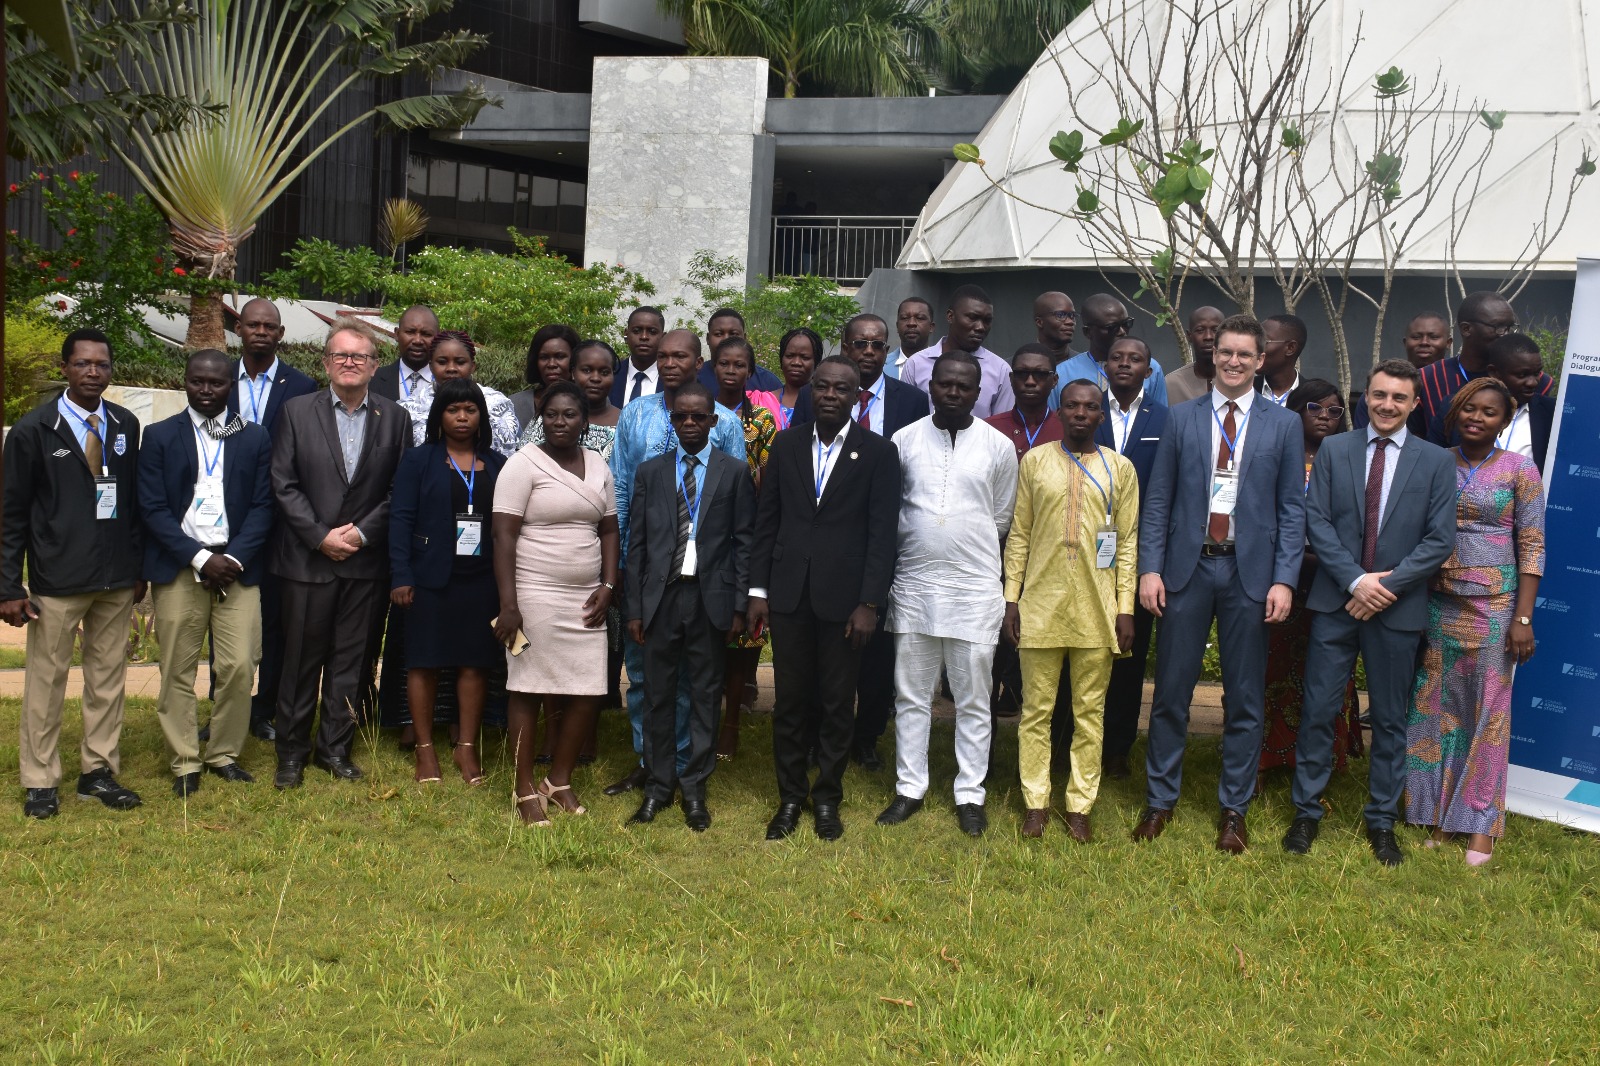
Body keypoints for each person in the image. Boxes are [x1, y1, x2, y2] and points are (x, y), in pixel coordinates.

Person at [1133, 314, 1304, 853]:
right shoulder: (1180, 418)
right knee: (1171, 694)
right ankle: (1160, 801)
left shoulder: (1284, 425)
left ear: (1260, 361)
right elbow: (1157, 499)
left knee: (1246, 697)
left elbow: (1291, 511)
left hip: (1249, 573)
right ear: (1215, 356)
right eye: (1225, 352)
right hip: (1186, 570)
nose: (1233, 362)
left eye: (1244, 355)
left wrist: (1284, 580)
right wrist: (1149, 568)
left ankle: (1234, 808)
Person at [1283, 359, 1457, 866]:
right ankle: (1306, 811)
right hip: (1338, 601)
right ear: (1367, 397)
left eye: (1399, 398)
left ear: (1414, 405)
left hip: (1397, 609)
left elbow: (1439, 539)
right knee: (1318, 710)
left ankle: (1381, 819)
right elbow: (1316, 523)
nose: (1387, 405)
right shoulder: (1336, 450)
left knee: (1388, 718)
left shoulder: (1435, 461)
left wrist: (1384, 586)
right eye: (1379, 395)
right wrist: (1356, 581)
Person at [748, 356, 901, 841]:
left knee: (837, 704)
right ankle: (790, 797)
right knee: (791, 702)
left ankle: (827, 798)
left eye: (842, 388)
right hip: (790, 596)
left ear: (858, 397)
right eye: (823, 387)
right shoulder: (788, 443)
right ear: (812, 391)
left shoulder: (877, 453)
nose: (830, 395)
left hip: (846, 603)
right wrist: (758, 590)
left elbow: (882, 535)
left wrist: (869, 603)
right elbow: (766, 519)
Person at [2, 329, 146, 818]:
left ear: (110, 371)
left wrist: (137, 565)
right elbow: (11, 516)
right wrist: (7, 585)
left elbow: (132, 504)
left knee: (108, 678)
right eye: (82, 363)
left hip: (115, 579)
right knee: (47, 682)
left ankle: (97, 772)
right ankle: (40, 781)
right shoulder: (33, 430)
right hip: (57, 582)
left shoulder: (125, 425)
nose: (92, 372)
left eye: (101, 364)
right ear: (64, 368)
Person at [876, 354, 1017, 837]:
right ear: (930, 386)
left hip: (975, 588)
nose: (953, 392)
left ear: (978, 392)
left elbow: (1000, 517)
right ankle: (909, 788)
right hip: (914, 585)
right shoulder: (904, 440)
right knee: (911, 695)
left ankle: (969, 793)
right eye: (945, 384)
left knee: (974, 698)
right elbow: (892, 507)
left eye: (964, 386)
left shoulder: (998, 447)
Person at [1405, 378, 1545, 865]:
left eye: (1488, 412)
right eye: (1468, 409)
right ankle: (1439, 816)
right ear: (1454, 413)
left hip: (1496, 606)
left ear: (1504, 421)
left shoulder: (1520, 469)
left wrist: (1522, 617)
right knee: (1438, 710)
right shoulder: (1434, 460)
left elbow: (1531, 546)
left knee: (1486, 715)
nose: (1476, 418)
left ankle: (1480, 827)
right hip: (1439, 602)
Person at [269, 324, 412, 789]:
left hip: (365, 564)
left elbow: (398, 490)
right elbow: (283, 483)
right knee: (300, 662)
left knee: (351, 662)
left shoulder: (396, 418)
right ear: (326, 363)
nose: (350, 362)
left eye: (360, 356)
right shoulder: (295, 412)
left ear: (375, 365)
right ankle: (291, 752)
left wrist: (363, 534)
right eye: (341, 355)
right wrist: (319, 536)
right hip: (308, 562)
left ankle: (334, 749)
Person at [606, 329, 746, 796]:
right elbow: (623, 488)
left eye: (679, 356)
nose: (668, 363)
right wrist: (626, 563)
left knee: (695, 678)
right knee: (646, 673)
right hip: (649, 573)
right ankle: (650, 762)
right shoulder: (636, 415)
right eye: (661, 356)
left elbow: (733, 508)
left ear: (698, 360)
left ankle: (688, 766)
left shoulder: (723, 422)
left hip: (703, 578)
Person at [1004, 380, 1140, 841]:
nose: (1081, 413)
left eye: (1091, 407)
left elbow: (1126, 543)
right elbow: (1019, 534)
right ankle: (1036, 802)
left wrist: (1125, 608)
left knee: (1089, 713)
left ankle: (1080, 805)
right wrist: (1011, 599)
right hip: (1039, 606)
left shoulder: (1120, 469)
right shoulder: (1035, 462)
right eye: (1073, 406)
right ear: (1059, 411)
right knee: (1036, 713)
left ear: (1102, 416)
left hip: (1097, 609)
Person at [795, 314, 929, 769]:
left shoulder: (913, 400)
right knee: (826, 653)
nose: (869, 351)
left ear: (887, 348)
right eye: (859, 344)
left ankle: (867, 734)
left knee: (875, 651)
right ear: (846, 347)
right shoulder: (821, 395)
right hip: (830, 542)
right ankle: (817, 734)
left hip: (891, 533)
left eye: (877, 344)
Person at [140, 349, 274, 796]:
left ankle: (222, 753)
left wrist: (232, 559)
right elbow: (153, 509)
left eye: (216, 383)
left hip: (237, 568)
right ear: (186, 381)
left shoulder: (253, 438)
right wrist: (199, 558)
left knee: (238, 665)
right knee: (177, 667)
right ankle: (184, 761)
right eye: (197, 381)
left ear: (229, 387)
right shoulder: (159, 436)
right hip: (181, 566)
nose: (206, 389)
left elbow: (262, 506)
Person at [623, 384, 755, 830]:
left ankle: (694, 786)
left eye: (700, 417)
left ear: (714, 422)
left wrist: (738, 607)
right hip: (661, 598)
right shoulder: (651, 472)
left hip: (709, 599)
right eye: (682, 417)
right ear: (672, 421)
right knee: (659, 694)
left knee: (703, 693)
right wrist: (635, 609)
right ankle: (659, 786)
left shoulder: (734, 472)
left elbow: (743, 542)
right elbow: (637, 545)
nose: (691, 424)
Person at [493, 382, 620, 824]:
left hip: (587, 596)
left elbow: (609, 530)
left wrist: (608, 584)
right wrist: (509, 605)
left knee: (588, 689)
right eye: (551, 415)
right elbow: (503, 536)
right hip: (534, 592)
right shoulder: (521, 464)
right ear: (540, 418)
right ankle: (523, 786)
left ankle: (559, 780)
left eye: (569, 415)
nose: (560, 422)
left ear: (585, 420)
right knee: (527, 687)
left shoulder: (599, 463)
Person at [389, 378, 507, 786]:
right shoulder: (419, 460)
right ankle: (425, 751)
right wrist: (401, 575)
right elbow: (400, 518)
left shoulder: (496, 464)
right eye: (453, 409)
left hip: (481, 580)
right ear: (440, 415)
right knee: (423, 663)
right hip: (429, 579)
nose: (461, 417)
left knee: (475, 664)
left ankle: (466, 748)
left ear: (481, 416)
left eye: (470, 410)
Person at [1256, 380, 1363, 778]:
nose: (1324, 417)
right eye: (1315, 407)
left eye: (1334, 411)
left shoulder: (1347, 460)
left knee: (1322, 675)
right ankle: (1265, 757)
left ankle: (1318, 760)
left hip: (1329, 580)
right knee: (1271, 670)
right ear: (1295, 410)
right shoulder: (1274, 454)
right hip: (1277, 579)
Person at [228, 297, 317, 742]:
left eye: (269, 326)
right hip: (225, 518)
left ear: (281, 334)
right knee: (224, 618)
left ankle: (266, 709)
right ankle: (224, 708)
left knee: (277, 620)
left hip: (284, 522)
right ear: (239, 329)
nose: (261, 332)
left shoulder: (301, 386)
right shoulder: (216, 379)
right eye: (253, 324)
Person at [1094, 337, 1169, 778]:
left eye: (1135, 359)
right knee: (1084, 647)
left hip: (1139, 552)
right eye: (1117, 358)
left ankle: (1118, 746)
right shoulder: (1085, 408)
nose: (1125, 364)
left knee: (1129, 651)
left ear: (1149, 370)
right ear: (1105, 367)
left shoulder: (1165, 419)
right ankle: (1075, 738)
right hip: (1085, 550)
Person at [709, 336, 779, 759]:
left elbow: (768, 487)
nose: (731, 371)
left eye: (740, 365)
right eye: (724, 364)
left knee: (743, 641)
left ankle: (731, 722)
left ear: (750, 371)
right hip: (704, 537)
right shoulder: (699, 414)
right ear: (713, 367)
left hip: (746, 536)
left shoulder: (763, 425)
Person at [1416, 292, 1555, 440]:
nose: (1506, 334)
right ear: (1466, 329)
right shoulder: (1428, 379)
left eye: (1510, 327)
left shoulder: (1536, 383)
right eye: (1498, 327)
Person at [1427, 333, 1555, 474]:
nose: (1533, 382)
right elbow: (1431, 464)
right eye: (1522, 375)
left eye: (1536, 373)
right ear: (1494, 372)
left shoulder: (1552, 413)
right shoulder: (1455, 407)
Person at [397, 330, 520, 457]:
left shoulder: (499, 405)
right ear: (431, 366)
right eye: (442, 362)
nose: (451, 368)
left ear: (472, 366)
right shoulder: (407, 410)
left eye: (460, 362)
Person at [901, 285, 1016, 418]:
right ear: (950, 316)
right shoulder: (915, 364)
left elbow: (1002, 427)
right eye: (972, 317)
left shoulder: (1001, 371)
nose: (980, 327)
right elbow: (906, 419)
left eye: (987, 321)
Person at [1050, 294, 1170, 408]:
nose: (1122, 331)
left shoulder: (1148, 367)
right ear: (1088, 332)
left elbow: (1160, 417)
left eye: (1126, 324)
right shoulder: (1062, 374)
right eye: (1112, 327)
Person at [518, 339, 622, 457]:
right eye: (586, 370)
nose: (595, 378)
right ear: (573, 373)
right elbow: (522, 462)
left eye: (604, 372)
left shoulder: (626, 422)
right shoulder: (548, 418)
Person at [1351, 311, 1453, 429]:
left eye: (1433, 337)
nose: (1424, 342)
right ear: (1405, 342)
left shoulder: (1454, 385)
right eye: (1416, 337)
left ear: (1448, 343)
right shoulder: (1378, 390)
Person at [985, 344, 1063, 461]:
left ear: (1054, 380)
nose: (1030, 381)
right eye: (1022, 373)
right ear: (1011, 379)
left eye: (1040, 374)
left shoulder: (1066, 429)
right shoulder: (988, 429)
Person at [509, 323, 579, 431]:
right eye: (544, 357)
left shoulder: (593, 403)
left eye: (560, 357)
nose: (551, 364)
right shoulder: (515, 404)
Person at [695, 307, 783, 393]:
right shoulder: (694, 378)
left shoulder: (768, 383)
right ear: (707, 339)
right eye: (718, 334)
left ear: (744, 338)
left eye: (733, 334)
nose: (726, 339)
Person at [371, 304, 440, 402]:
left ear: (438, 337)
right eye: (410, 332)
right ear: (397, 334)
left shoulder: (449, 382)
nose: (417, 340)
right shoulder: (373, 380)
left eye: (426, 334)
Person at [609, 306, 667, 407]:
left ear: (663, 337)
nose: (644, 337)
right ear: (626, 335)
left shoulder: (672, 379)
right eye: (636, 331)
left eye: (652, 332)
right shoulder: (611, 374)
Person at [1163, 306, 1222, 405]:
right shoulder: (1171, 384)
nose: (1208, 337)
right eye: (1200, 330)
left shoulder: (1240, 380)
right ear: (1189, 336)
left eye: (1215, 330)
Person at [773, 327, 821, 430]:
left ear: (816, 363)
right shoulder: (763, 400)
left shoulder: (823, 402)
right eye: (790, 356)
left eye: (805, 357)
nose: (796, 363)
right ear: (781, 359)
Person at [883, 296, 935, 380]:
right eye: (904, 318)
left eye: (920, 318)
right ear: (897, 326)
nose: (911, 323)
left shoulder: (943, 365)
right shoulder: (881, 365)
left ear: (931, 327)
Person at [1258, 314, 1305, 406]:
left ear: (1290, 348)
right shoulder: (1243, 391)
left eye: (1264, 342)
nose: (1255, 348)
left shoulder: (1314, 398)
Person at [1031, 291, 1079, 368]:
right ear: (1039, 322)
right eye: (1060, 315)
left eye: (1072, 315)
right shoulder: (1015, 367)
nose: (1070, 322)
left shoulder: (1086, 366)